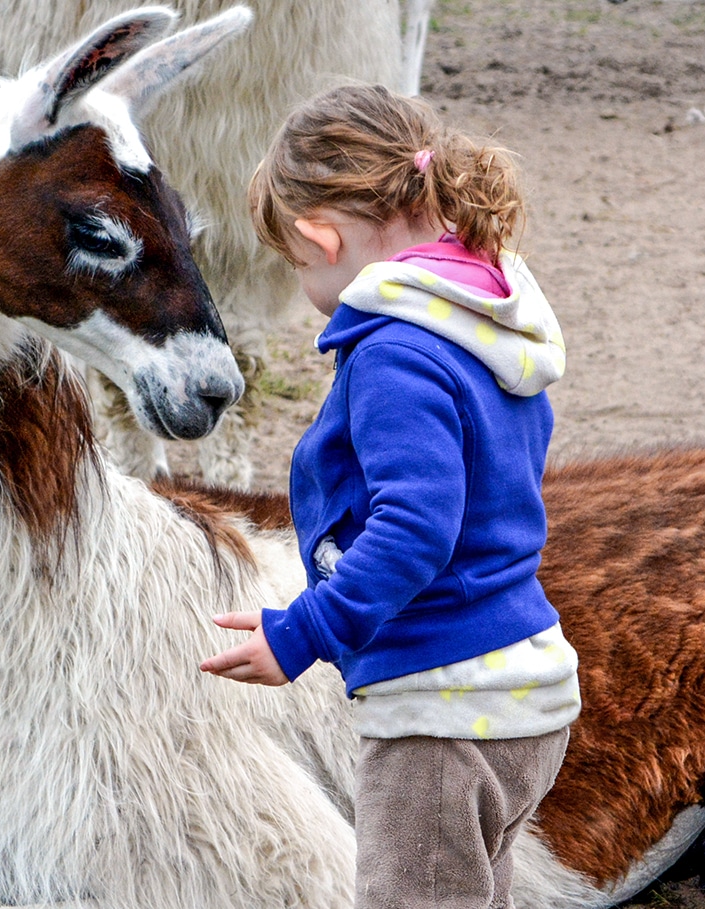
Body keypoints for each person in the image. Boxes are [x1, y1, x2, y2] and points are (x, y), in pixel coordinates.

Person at [199, 82, 579, 909]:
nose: (305, 283)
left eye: (298, 266)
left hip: (443, 713)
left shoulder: (396, 355)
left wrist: (304, 633)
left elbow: (415, 528)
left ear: (320, 236)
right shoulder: (484, 318)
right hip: (521, 687)